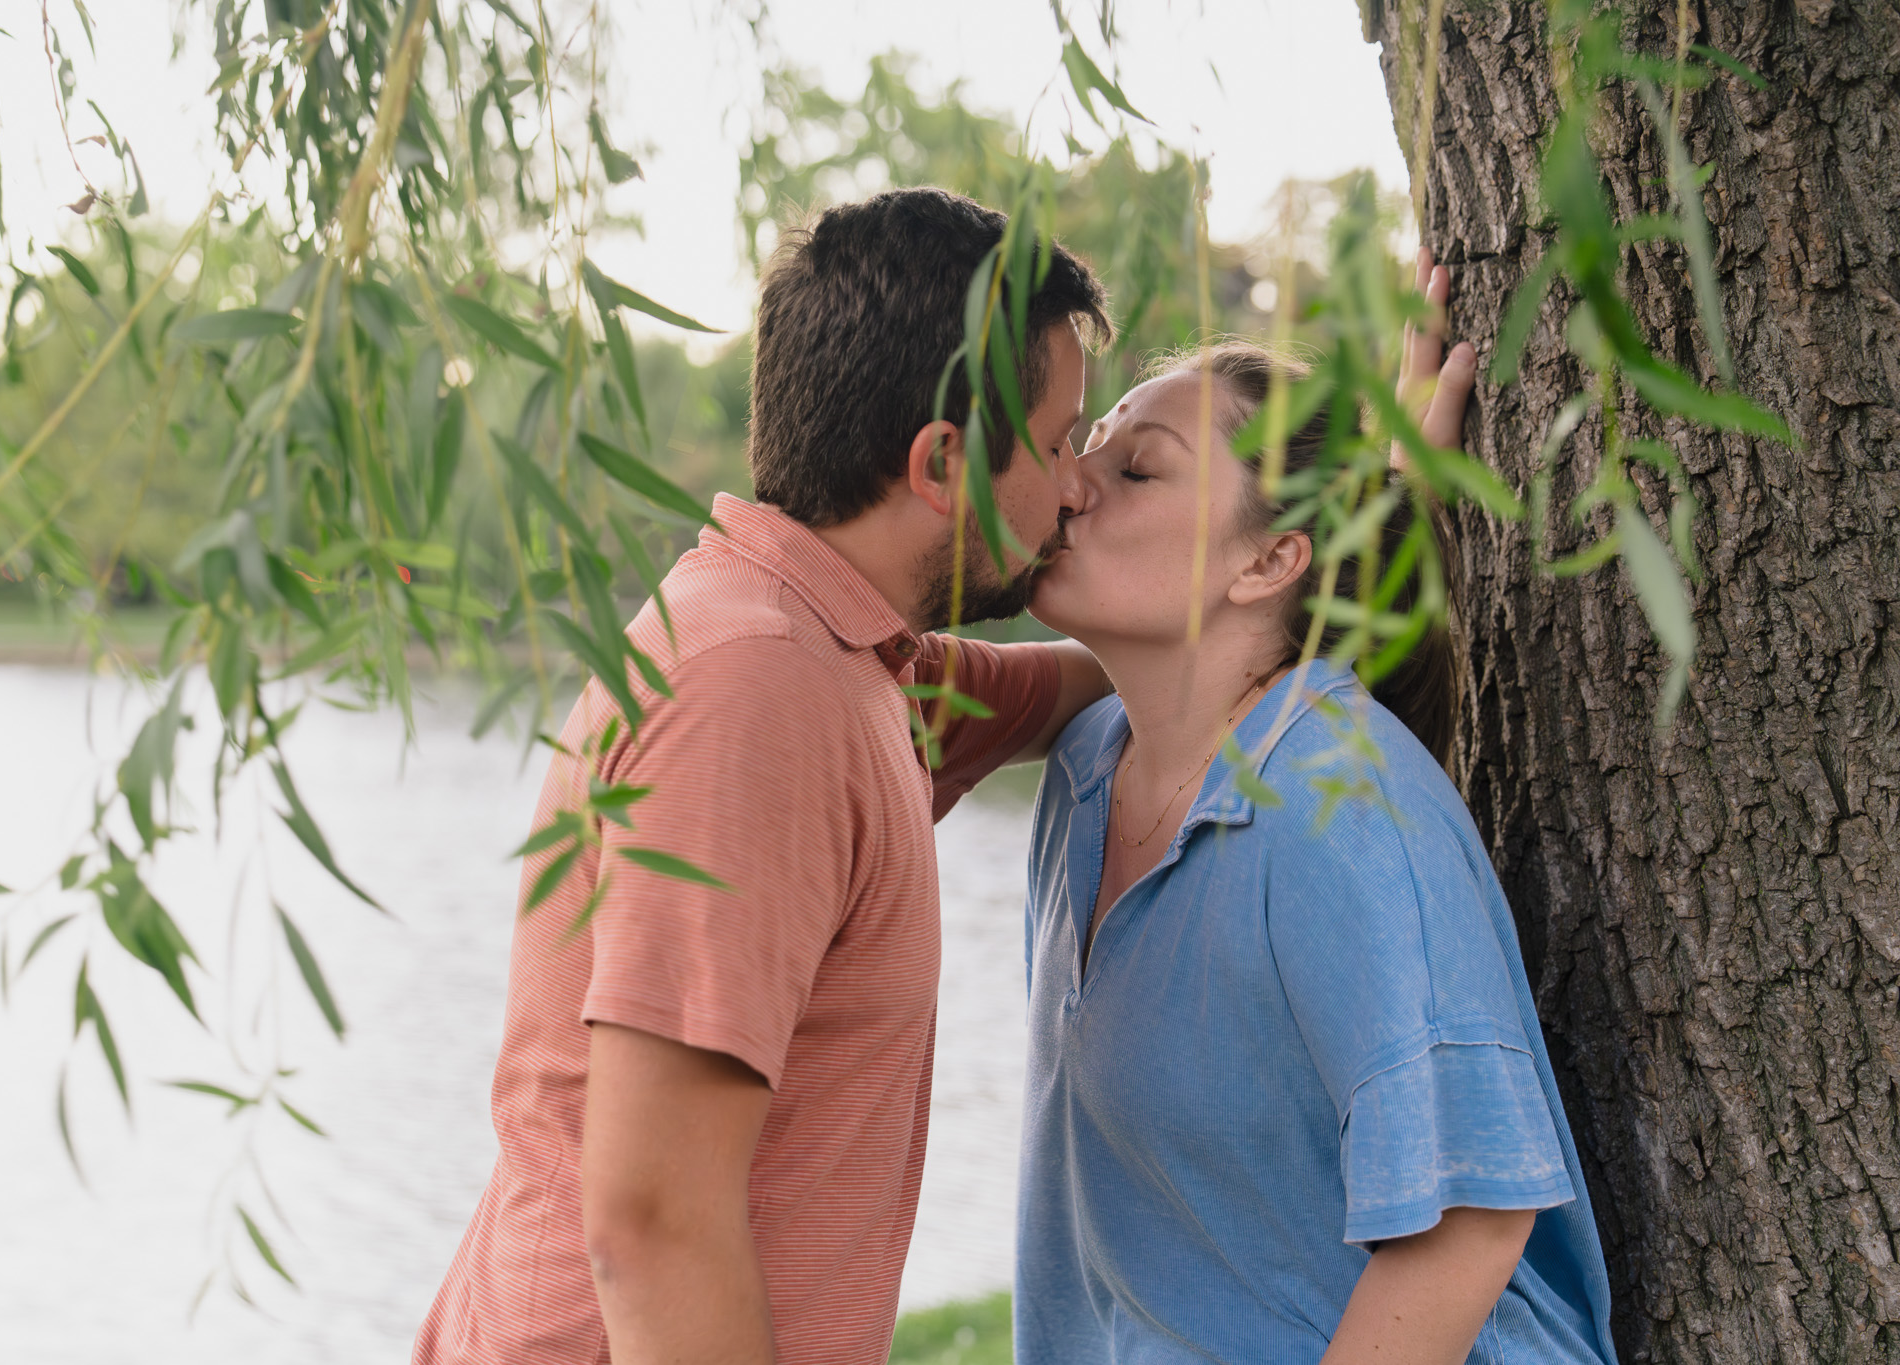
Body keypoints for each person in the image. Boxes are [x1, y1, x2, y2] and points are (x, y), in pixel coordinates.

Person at [412, 187, 1115, 1365]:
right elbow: (651, 1228)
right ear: (941, 462)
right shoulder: (757, 698)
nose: (1077, 486)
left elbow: (1059, 687)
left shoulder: (837, 658)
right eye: (1056, 445)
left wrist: (1293, 561)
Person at [1015, 257, 1621, 1363]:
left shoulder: (1344, 810)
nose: (1070, 482)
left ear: (1269, 561)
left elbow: (1469, 1219)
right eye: (1087, 441)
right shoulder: (1089, 766)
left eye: (1136, 469)